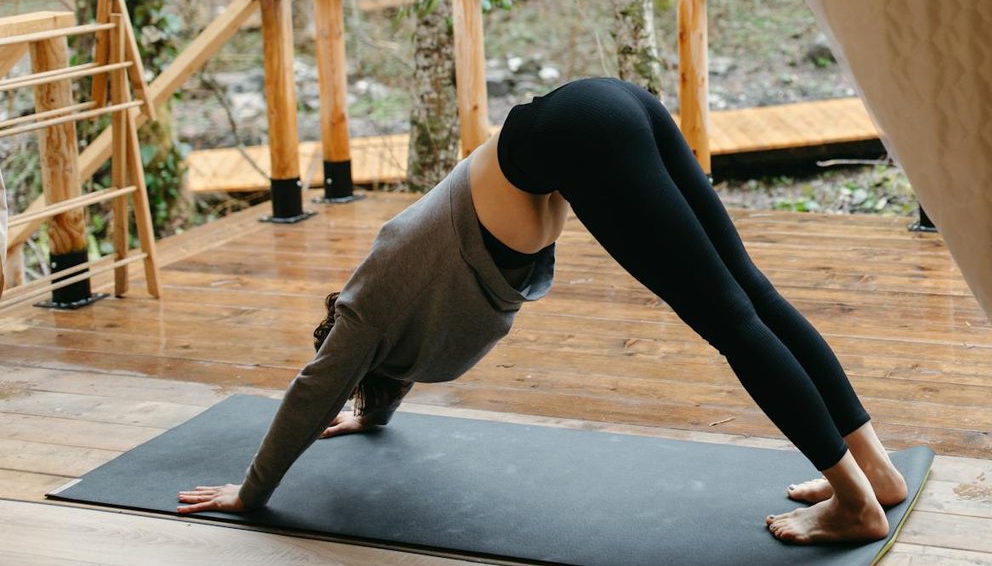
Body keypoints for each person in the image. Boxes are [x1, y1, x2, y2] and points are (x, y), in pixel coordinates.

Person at [177, 75, 908, 544]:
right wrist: (372, 414)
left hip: (585, 134)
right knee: (752, 294)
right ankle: (875, 471)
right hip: (610, 107)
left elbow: (317, 383)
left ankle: (853, 504)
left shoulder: (367, 308)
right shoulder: (400, 313)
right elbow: (377, 370)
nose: (345, 357)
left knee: (732, 320)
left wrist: (252, 491)